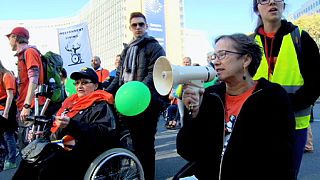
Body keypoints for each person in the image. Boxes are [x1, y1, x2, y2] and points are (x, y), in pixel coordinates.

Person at [176, 33, 295, 179]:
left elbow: (282, 158)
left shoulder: (272, 97)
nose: (216, 62)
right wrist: (193, 114)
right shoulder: (211, 96)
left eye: (222, 54)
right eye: (214, 56)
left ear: (245, 59)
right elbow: (187, 151)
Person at [252, 0, 320, 178]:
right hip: (258, 125)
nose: (272, 2)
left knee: (287, 175)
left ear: (283, 5)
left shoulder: (301, 37)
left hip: (295, 125)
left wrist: (287, 105)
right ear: (257, 8)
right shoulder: (248, 44)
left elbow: (316, 81)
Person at [13, 67, 116, 180]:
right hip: (62, 143)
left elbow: (104, 132)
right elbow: (56, 126)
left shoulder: (100, 105)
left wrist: (71, 124)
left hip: (82, 148)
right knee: (29, 159)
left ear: (96, 86)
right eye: (77, 83)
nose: (79, 86)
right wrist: (44, 133)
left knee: (47, 164)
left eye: (84, 83)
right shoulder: (70, 103)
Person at [105, 12, 166, 180]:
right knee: (133, 144)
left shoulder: (154, 46)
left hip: (146, 103)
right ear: (130, 28)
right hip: (127, 103)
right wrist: (105, 92)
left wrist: (135, 90)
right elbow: (118, 76)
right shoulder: (126, 49)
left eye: (141, 24)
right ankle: (139, 174)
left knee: (145, 146)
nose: (138, 27)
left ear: (146, 26)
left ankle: (148, 177)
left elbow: (154, 73)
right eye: (134, 25)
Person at [6, 27, 46, 150]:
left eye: (10, 38)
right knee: (26, 146)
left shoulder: (29, 52)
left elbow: (34, 78)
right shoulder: (24, 54)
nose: (9, 41)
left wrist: (27, 105)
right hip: (28, 107)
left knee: (29, 148)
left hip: (32, 107)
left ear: (15, 37)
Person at [0, 60, 18, 170]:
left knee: (8, 135)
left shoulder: (6, 75)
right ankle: (6, 158)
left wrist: (6, 112)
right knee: (3, 136)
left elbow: (10, 95)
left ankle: (11, 160)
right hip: (2, 108)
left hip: (8, 108)